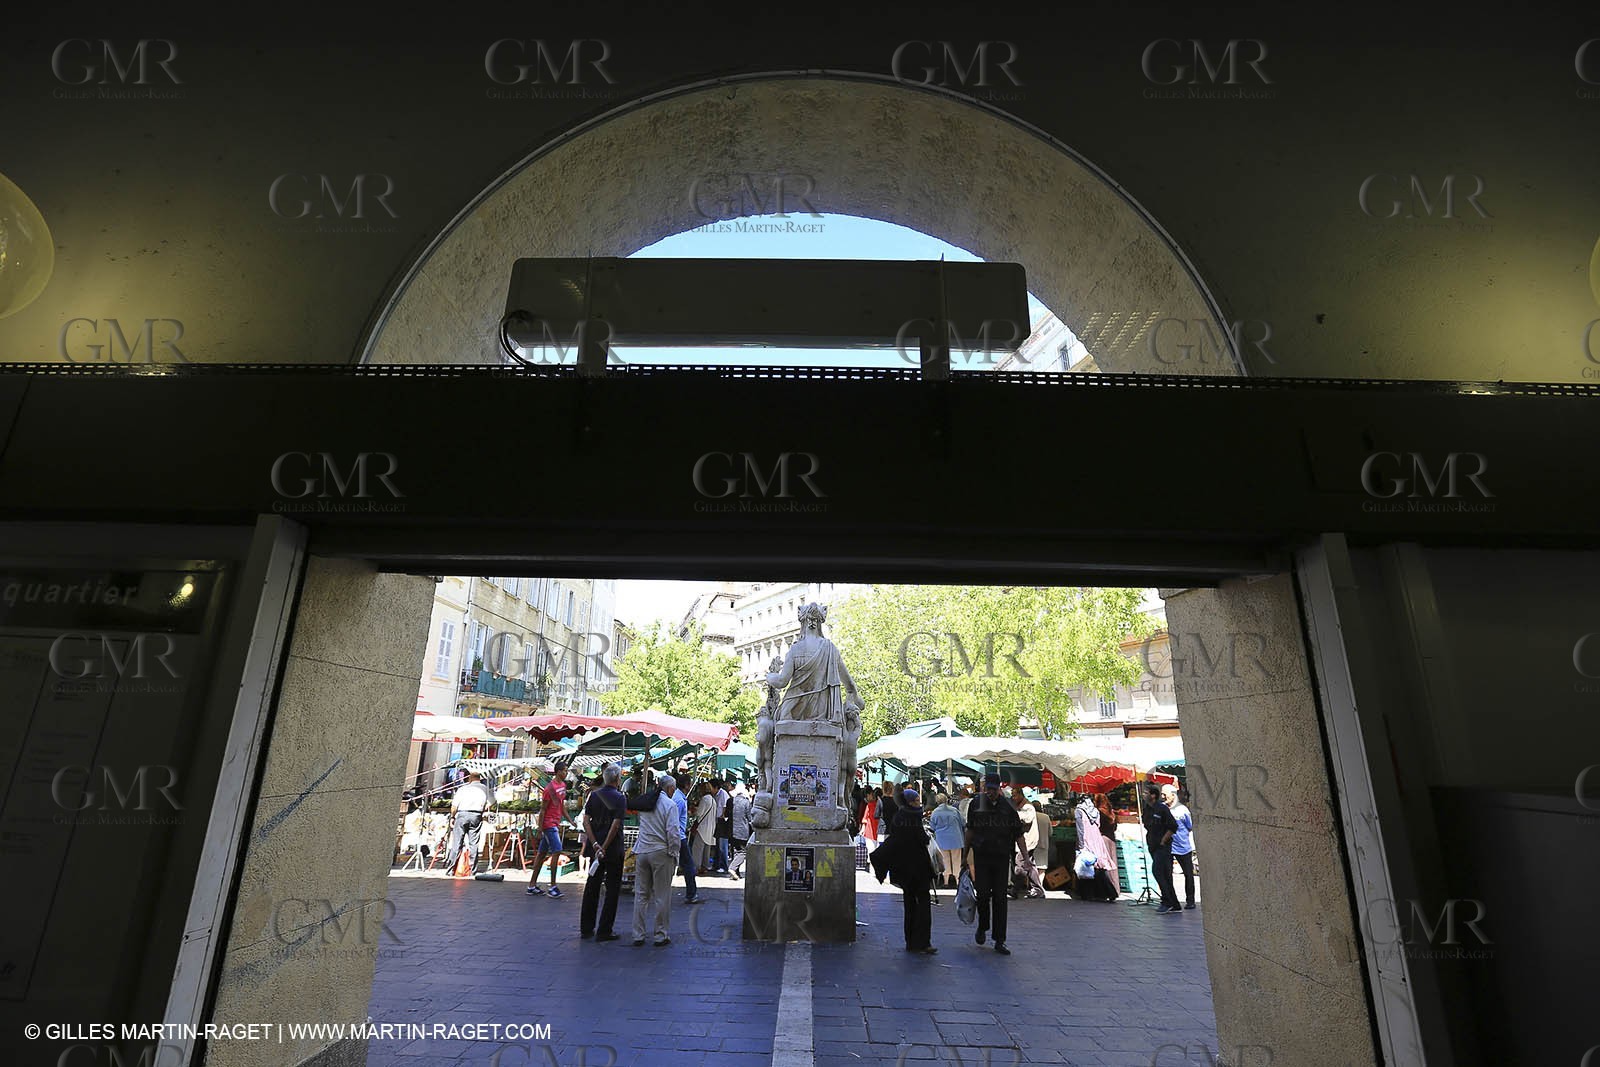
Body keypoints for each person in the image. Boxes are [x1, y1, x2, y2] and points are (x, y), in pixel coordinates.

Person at [965, 772, 1026, 955]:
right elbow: (970, 830)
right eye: (987, 789)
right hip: (982, 857)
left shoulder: (1008, 807)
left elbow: (1018, 834)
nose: (990, 792)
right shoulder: (976, 804)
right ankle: (983, 927)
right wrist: (964, 856)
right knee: (983, 896)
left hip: (1001, 858)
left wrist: (1026, 858)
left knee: (1000, 899)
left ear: (999, 788)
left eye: (993, 789)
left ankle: (1000, 940)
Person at [876, 787, 937, 954]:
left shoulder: (898, 817)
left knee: (909, 904)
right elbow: (922, 839)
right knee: (923, 904)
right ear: (911, 802)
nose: (919, 803)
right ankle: (924, 942)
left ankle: (910, 941)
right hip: (919, 868)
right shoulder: (913, 817)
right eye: (917, 801)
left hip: (904, 869)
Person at [628, 773, 683, 946]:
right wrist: (675, 854)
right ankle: (660, 934)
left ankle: (638, 934)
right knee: (661, 895)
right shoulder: (670, 805)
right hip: (660, 853)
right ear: (671, 788)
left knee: (641, 895)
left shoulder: (645, 802)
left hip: (642, 851)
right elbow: (673, 833)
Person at [579, 764, 627, 941]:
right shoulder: (620, 798)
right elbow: (615, 825)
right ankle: (605, 929)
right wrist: (605, 846)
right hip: (613, 850)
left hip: (596, 848)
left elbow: (586, 821)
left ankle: (586, 927)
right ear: (617, 779)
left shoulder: (594, 795)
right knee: (612, 889)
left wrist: (595, 844)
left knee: (592, 886)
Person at [527, 761, 569, 898]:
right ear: (558, 772)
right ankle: (552, 886)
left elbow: (561, 805)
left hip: (555, 823)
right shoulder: (549, 789)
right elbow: (543, 810)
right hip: (549, 825)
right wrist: (540, 828)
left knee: (541, 854)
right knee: (557, 850)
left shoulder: (563, 786)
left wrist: (569, 819)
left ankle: (532, 885)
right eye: (564, 771)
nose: (566, 773)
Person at [445, 770, 493, 876]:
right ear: (480, 778)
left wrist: (453, 817)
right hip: (476, 815)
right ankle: (472, 870)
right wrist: (483, 809)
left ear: (470, 779)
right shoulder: (485, 789)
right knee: (473, 843)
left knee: (457, 842)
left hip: (462, 814)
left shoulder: (463, 789)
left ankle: (450, 869)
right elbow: (492, 802)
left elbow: (454, 806)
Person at [1143, 782, 1181, 914]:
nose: (1143, 795)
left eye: (1146, 793)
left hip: (1162, 847)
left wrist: (1163, 841)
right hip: (1153, 845)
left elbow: (1173, 826)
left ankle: (1167, 901)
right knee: (1165, 875)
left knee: (1158, 872)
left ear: (1153, 795)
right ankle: (1175, 904)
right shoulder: (1147, 808)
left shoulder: (1162, 809)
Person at [1073, 793, 1119, 902]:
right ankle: (1108, 892)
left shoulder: (1079, 811)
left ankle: (1088, 894)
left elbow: (1080, 829)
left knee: (1085, 867)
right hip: (1096, 838)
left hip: (1086, 839)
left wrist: (1081, 846)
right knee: (1098, 867)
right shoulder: (1094, 811)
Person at [1165, 784, 1196, 910]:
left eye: (1165, 795)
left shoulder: (1182, 810)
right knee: (1167, 875)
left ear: (1173, 795)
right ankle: (1172, 901)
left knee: (1188, 874)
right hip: (1168, 847)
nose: (1163, 797)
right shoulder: (1162, 809)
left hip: (1183, 847)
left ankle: (1190, 900)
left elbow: (1190, 826)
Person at [928, 793, 965, 889]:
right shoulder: (954, 810)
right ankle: (957, 882)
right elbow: (963, 822)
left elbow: (932, 827)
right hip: (956, 839)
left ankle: (946, 882)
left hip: (942, 840)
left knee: (945, 860)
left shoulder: (935, 812)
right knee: (957, 860)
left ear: (937, 801)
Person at [674, 770, 701, 905]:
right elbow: (674, 819)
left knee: (686, 865)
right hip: (678, 836)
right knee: (689, 865)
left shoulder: (679, 797)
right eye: (689, 784)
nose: (691, 786)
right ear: (686, 785)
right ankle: (691, 894)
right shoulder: (679, 799)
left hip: (678, 835)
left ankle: (691, 893)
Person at [1013, 789, 1045, 899]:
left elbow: (1027, 819)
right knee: (1030, 865)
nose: (1013, 798)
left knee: (1020, 864)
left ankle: (1015, 889)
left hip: (1027, 841)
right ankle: (1038, 889)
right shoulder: (1022, 806)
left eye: (1015, 795)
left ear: (1021, 795)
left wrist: (1016, 815)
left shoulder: (1028, 807)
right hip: (1026, 841)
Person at [1093, 792, 1123, 898]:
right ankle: (1115, 888)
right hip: (1111, 839)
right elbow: (1115, 827)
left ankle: (1106, 891)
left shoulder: (1099, 812)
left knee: (1103, 865)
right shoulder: (1112, 812)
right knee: (1112, 864)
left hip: (1102, 839)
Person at [692, 781, 718, 872]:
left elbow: (699, 814)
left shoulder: (705, 799)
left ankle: (696, 867)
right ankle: (704, 867)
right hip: (711, 827)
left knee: (697, 849)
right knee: (706, 850)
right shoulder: (713, 800)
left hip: (702, 827)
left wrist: (694, 810)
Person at [729, 782, 753, 879]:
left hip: (732, 831)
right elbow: (750, 818)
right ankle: (732, 868)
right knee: (743, 852)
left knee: (736, 851)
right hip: (743, 831)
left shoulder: (731, 801)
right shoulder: (746, 802)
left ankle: (735, 874)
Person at [712, 777, 733, 873]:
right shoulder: (715, 795)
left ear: (716, 787)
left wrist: (722, 816)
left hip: (723, 822)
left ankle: (724, 866)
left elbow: (725, 806)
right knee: (717, 845)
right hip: (717, 821)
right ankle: (716, 865)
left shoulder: (723, 794)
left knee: (722, 845)